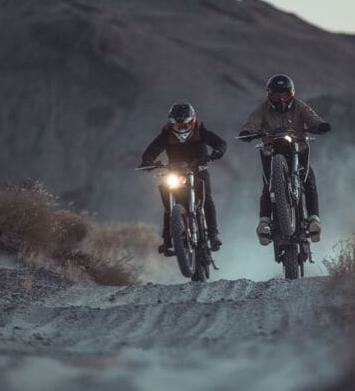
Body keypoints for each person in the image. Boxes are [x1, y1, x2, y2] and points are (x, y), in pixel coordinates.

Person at [238, 74, 331, 245]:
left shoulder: (299, 106)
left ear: (292, 95)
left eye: (285, 96)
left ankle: (313, 219)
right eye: (276, 96)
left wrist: (319, 125)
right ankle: (264, 222)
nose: (281, 100)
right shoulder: (262, 109)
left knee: (309, 179)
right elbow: (252, 122)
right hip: (271, 151)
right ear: (269, 95)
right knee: (268, 184)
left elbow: (311, 117)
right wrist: (247, 132)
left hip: (298, 148)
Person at [140, 102, 226, 255]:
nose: (182, 129)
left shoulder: (201, 131)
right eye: (178, 126)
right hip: (175, 172)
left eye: (185, 125)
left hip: (199, 170)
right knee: (169, 205)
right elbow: (153, 149)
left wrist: (218, 151)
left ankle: (213, 235)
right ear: (171, 125)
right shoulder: (166, 134)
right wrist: (147, 161)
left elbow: (219, 142)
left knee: (207, 199)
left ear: (193, 121)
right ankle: (167, 241)